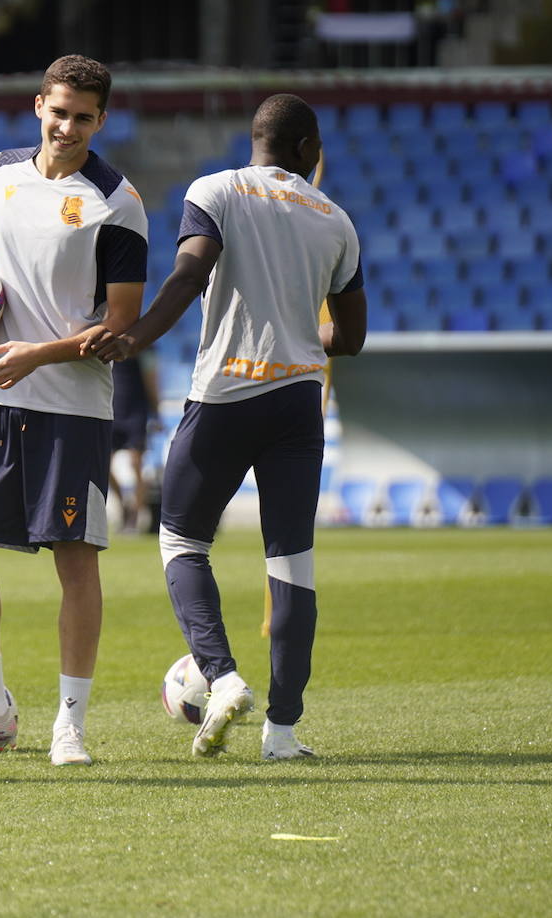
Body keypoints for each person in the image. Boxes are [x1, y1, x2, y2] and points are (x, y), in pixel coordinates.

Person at [85, 93, 367, 761]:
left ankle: (223, 676)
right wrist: (301, 334)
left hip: (226, 394)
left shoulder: (215, 189)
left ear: (256, 140)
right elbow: (350, 336)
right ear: (307, 151)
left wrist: (136, 336)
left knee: (181, 541)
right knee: (291, 565)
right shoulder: (337, 221)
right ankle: (283, 734)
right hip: (297, 402)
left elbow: (189, 274)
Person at [0, 55, 148, 768]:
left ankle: (70, 726)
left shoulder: (118, 202)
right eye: (59, 112)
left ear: (101, 120)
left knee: (75, 564)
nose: (69, 127)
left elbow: (120, 327)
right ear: (37, 107)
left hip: (75, 408)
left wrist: (34, 355)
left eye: (84, 117)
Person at [108, 352, 160, 533]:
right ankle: (123, 505)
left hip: (136, 412)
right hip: (112, 410)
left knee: (136, 463)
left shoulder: (143, 346)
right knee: (104, 464)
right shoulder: (108, 345)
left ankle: (134, 517)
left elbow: (151, 378)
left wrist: (156, 411)